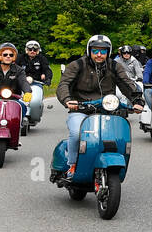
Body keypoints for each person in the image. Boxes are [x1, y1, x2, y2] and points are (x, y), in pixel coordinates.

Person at [55, 35, 143, 175]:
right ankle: (72, 164)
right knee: (76, 133)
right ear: (89, 50)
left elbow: (126, 83)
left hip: (106, 110)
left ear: (108, 52)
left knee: (118, 137)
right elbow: (64, 84)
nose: (99, 54)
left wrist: (137, 100)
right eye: (95, 51)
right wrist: (67, 100)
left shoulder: (114, 66)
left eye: (103, 51)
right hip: (80, 108)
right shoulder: (77, 65)